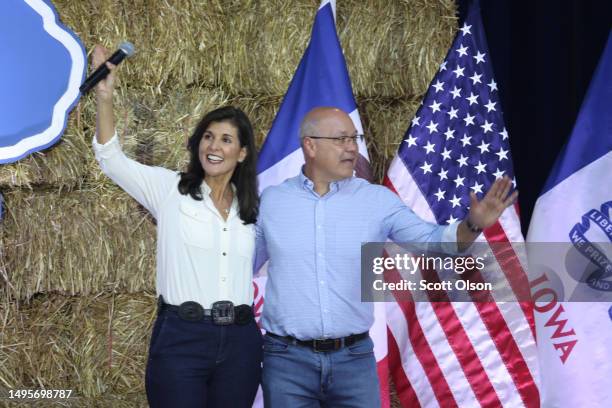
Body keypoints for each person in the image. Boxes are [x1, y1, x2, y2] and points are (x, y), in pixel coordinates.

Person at [255, 107, 517, 407]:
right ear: (310, 145)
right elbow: (240, 264)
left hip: (353, 361)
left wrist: (472, 225)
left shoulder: (377, 200)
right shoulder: (273, 202)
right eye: (341, 139)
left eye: (355, 139)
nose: (352, 147)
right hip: (287, 362)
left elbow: (433, 243)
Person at [91, 45, 262, 408]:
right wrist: (105, 96)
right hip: (183, 337)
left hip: (241, 343)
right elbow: (110, 158)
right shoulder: (170, 189)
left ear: (242, 153)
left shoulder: (252, 208)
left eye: (226, 139)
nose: (213, 146)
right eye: (207, 136)